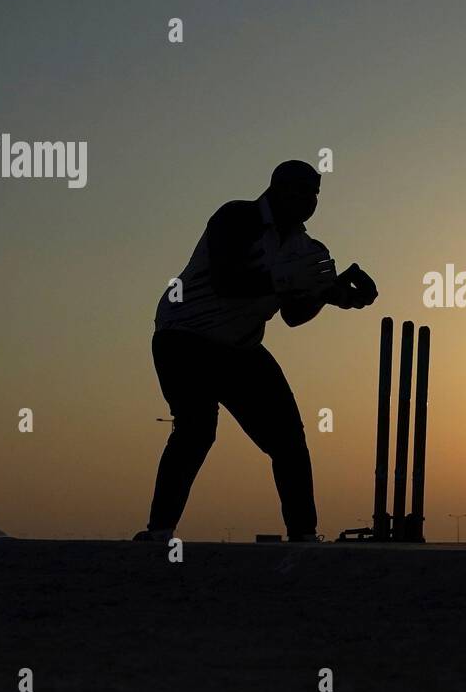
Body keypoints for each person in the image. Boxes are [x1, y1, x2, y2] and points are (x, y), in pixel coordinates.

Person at [136, 160, 378, 543]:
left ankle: (303, 537)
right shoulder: (236, 217)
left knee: (289, 440)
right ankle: (160, 531)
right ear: (276, 190)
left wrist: (333, 297)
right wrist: (289, 280)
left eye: (315, 194)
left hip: (240, 348)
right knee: (197, 428)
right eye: (300, 192)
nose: (309, 201)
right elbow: (227, 281)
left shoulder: (305, 248)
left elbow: (295, 316)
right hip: (184, 336)